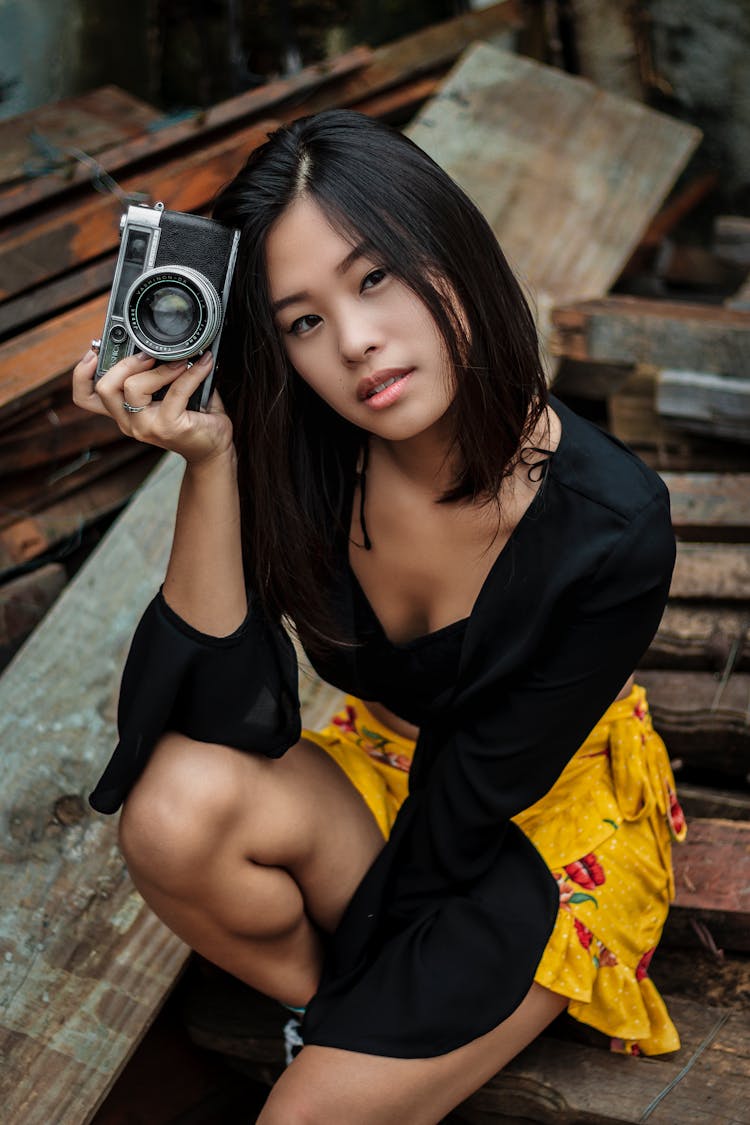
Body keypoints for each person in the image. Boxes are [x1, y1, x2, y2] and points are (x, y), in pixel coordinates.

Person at [73, 110, 686, 1124]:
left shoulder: (612, 529)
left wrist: (345, 1040)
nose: (356, 342)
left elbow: (465, 813)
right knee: (175, 808)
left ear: (450, 254)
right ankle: (341, 1023)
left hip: (534, 822)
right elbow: (215, 721)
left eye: (375, 279)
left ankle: (350, 1031)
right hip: (386, 778)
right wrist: (212, 461)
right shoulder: (309, 449)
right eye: (303, 321)